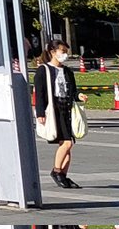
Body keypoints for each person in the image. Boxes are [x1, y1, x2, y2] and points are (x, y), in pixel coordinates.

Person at [31, 36, 82, 189]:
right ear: (53, 52)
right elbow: (39, 93)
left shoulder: (67, 71)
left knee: (67, 144)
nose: (65, 54)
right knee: (66, 143)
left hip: (67, 109)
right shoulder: (44, 70)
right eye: (62, 51)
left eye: (66, 52)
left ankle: (63, 175)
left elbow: (73, 90)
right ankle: (57, 171)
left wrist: (79, 96)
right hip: (54, 110)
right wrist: (40, 113)